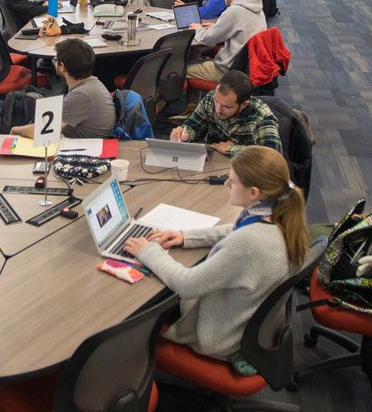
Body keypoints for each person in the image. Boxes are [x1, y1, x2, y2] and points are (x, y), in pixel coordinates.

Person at [123, 145, 308, 372]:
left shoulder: (249, 243)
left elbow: (187, 285)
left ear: (254, 193)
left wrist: (148, 251)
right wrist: (184, 236)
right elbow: (236, 230)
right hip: (249, 324)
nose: (226, 185)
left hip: (221, 339)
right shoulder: (278, 215)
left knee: (140, 308)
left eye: (232, 181)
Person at [11, 39, 116, 139]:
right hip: (81, 139)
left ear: (62, 66)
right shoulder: (91, 83)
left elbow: (41, 130)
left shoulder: (81, 95)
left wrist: (15, 130)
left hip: (81, 146)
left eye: (55, 60)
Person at [170, 70, 281, 157]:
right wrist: (185, 133)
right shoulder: (210, 99)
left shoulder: (262, 116)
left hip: (246, 172)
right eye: (216, 101)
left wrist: (232, 149)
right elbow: (193, 125)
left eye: (227, 107)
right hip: (215, 165)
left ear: (244, 104)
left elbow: (271, 155)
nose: (218, 109)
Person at [185, 0, 266, 84]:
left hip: (228, 70)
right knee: (197, 54)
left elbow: (207, 39)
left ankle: (195, 101)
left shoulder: (233, 11)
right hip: (250, 67)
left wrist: (198, 29)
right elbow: (237, 27)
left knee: (184, 69)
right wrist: (217, 26)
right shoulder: (258, 9)